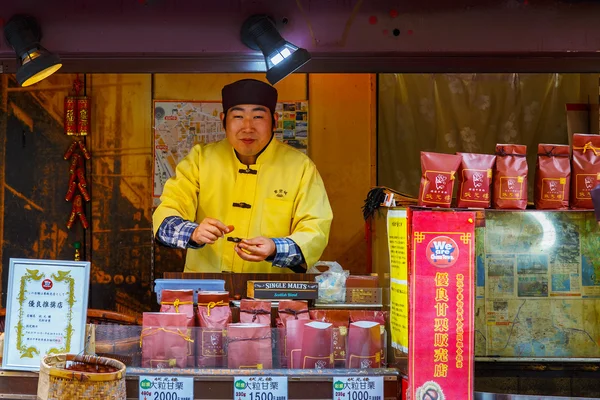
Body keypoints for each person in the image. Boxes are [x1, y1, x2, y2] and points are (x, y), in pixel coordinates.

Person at [152, 79, 333, 273]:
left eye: (258, 117)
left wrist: (275, 248)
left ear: (275, 121)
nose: (247, 127)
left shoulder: (300, 167)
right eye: (238, 116)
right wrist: (193, 232)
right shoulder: (200, 160)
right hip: (207, 288)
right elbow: (166, 216)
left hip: (271, 292)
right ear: (223, 120)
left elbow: (315, 229)